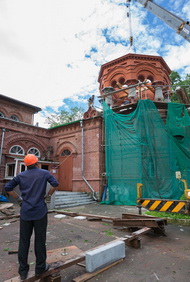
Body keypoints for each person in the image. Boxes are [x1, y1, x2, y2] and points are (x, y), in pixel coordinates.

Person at [4, 154, 59, 280]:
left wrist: (19, 199)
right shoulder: (44, 173)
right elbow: (55, 184)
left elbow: (7, 187)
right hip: (40, 212)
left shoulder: (21, 175)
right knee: (40, 240)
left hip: (26, 212)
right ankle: (40, 268)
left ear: (26, 165)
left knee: (24, 241)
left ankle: (23, 271)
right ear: (36, 163)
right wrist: (48, 195)